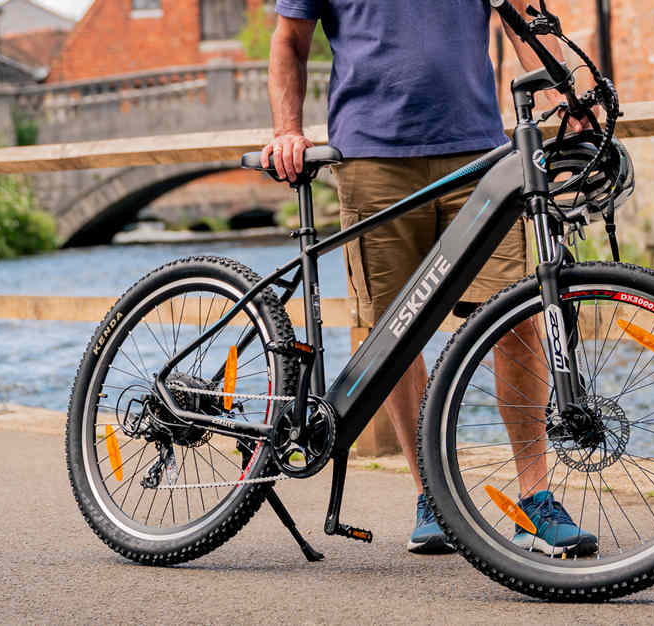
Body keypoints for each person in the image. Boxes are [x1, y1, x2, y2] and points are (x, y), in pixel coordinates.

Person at [261, 0, 597, 557]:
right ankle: (432, 496)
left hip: (476, 153)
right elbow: (288, 41)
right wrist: (287, 130)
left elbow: (524, 20)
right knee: (392, 334)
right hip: (372, 159)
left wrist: (564, 91)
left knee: (516, 320)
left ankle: (534, 501)